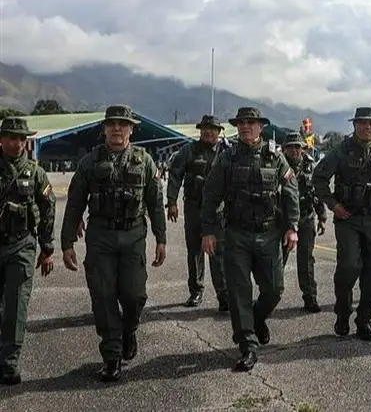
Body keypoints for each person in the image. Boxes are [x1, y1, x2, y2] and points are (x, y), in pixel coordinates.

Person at [61, 104, 167, 382]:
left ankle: (129, 328)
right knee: (103, 297)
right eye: (112, 124)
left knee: (134, 296)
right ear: (104, 129)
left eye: (123, 124)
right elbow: (74, 203)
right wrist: (67, 241)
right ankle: (111, 356)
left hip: (133, 236)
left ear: (131, 129)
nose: (117, 128)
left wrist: (161, 239)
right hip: (100, 238)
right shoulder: (89, 162)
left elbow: (156, 203)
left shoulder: (145, 161)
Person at [200, 107, 299, 372]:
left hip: (269, 234)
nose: (245, 127)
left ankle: (255, 319)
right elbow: (211, 195)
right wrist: (208, 230)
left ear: (260, 127)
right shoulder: (227, 158)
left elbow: (290, 192)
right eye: (241, 123)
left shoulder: (276, 158)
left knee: (274, 289)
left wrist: (292, 227)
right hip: (236, 235)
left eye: (251, 123)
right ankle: (247, 346)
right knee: (238, 292)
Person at [311, 107, 371, 341]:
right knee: (349, 267)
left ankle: (365, 319)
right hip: (348, 218)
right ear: (355, 125)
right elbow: (319, 178)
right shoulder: (342, 150)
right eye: (363, 123)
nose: (368, 127)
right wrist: (334, 205)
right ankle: (342, 314)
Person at [0, 117, 56, 385]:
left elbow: (48, 208)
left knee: (16, 307)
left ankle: (10, 363)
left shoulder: (35, 172)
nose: (17, 143)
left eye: (22, 139)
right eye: (12, 137)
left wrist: (47, 248)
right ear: (1, 139)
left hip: (21, 245)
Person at [166, 115, 228, 312]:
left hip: (218, 210)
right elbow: (175, 174)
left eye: (213, 129)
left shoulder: (227, 152)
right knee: (194, 251)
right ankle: (196, 290)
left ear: (219, 132)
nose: (209, 132)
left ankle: (224, 295)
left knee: (219, 254)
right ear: (200, 130)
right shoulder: (188, 150)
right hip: (193, 208)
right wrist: (171, 201)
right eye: (205, 128)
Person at [280, 132, 327, 312]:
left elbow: (317, 192)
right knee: (277, 260)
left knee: (306, 260)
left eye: (297, 147)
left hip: (306, 217)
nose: (294, 150)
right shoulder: (278, 164)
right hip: (283, 221)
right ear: (284, 149)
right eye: (290, 147)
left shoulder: (310, 166)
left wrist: (322, 217)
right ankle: (268, 296)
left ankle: (310, 297)